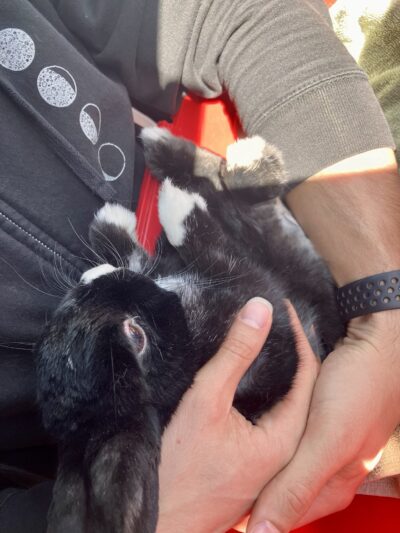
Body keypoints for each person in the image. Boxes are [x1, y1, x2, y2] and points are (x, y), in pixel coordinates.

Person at [0, 1, 399, 532]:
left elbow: (242, 14)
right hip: (143, 460)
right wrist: (158, 514)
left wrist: (385, 309)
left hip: (229, 195)